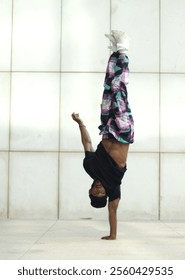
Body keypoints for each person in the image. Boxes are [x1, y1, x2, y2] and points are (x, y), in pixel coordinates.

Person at [71, 30, 134, 240]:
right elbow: (113, 212)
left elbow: (88, 143)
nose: (99, 190)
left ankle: (115, 51)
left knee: (108, 89)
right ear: (105, 195)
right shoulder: (114, 189)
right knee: (119, 88)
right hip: (123, 132)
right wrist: (112, 235)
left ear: (89, 191)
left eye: (94, 193)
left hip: (107, 129)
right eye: (101, 194)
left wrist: (80, 123)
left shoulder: (89, 167)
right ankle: (124, 48)